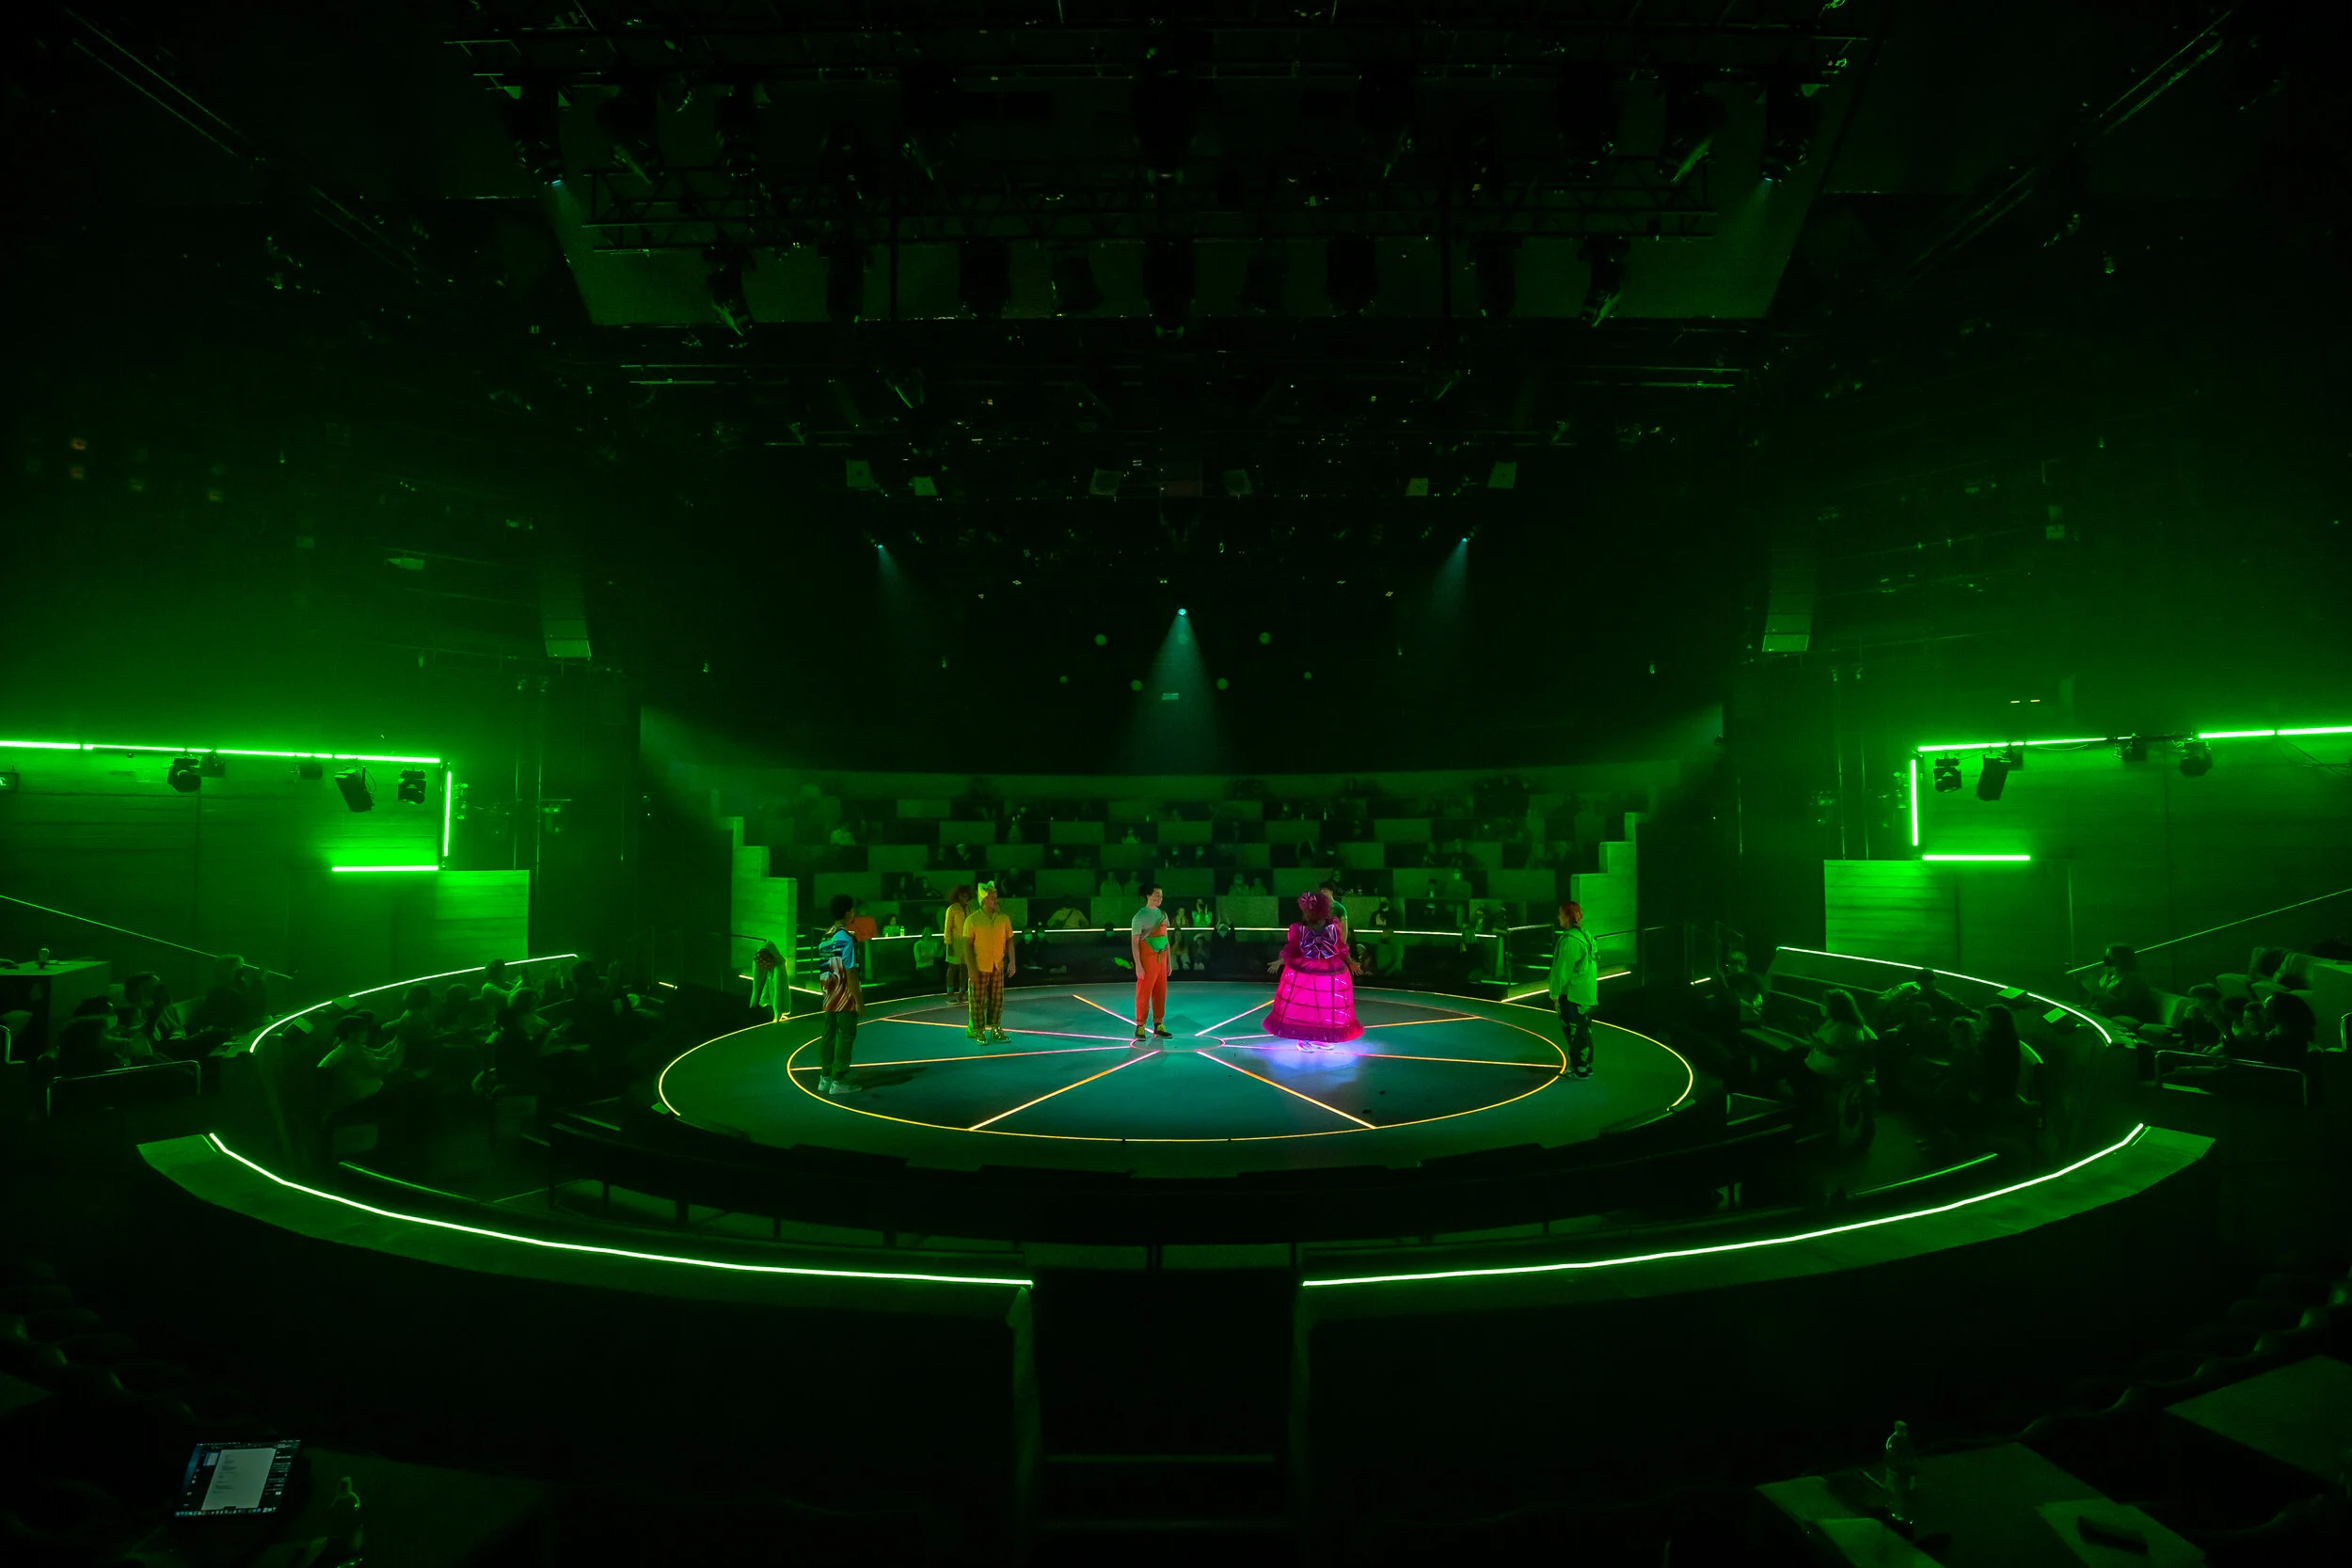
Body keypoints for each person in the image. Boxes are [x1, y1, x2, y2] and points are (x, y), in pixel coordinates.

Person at [1265, 890, 1362, 1049]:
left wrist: (1350, 962)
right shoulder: (1299, 929)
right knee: (1305, 1002)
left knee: (1325, 1004)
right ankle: (1304, 1038)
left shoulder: (1332, 927)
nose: (1307, 913)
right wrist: (1281, 960)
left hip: (1327, 971)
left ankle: (1320, 1037)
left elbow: (1340, 947)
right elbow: (1292, 948)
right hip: (1306, 971)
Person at [815, 895, 863, 1094]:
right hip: (844, 996)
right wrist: (859, 1001)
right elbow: (850, 972)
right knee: (845, 1036)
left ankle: (825, 1077)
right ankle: (839, 1080)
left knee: (829, 1035)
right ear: (847, 912)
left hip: (829, 994)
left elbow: (824, 969)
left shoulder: (825, 937)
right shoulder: (846, 938)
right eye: (852, 909)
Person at [1546, 899, 1599, 1078]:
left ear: (1567, 917)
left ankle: (1579, 1069)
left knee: (1574, 1032)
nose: (1558, 917)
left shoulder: (1571, 941)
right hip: (1585, 992)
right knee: (1584, 1030)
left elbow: (1563, 970)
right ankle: (1585, 1065)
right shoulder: (1586, 935)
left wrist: (1554, 993)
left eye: (1561, 914)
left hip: (1573, 994)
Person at [963, 881, 1017, 1044]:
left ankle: (996, 1028)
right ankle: (978, 1030)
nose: (995, 900)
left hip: (997, 965)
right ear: (984, 900)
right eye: (992, 898)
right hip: (979, 967)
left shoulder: (1003, 919)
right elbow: (967, 947)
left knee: (997, 999)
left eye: (996, 897)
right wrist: (971, 969)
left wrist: (1012, 962)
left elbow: (1009, 941)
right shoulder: (972, 920)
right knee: (977, 1001)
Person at [1131, 886, 1174, 1041]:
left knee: (1161, 992)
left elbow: (1166, 938)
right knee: (1144, 992)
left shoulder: (1163, 914)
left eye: (1161, 896)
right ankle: (1140, 1026)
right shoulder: (1139, 916)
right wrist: (1138, 965)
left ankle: (1159, 1024)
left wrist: (1169, 962)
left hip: (1161, 959)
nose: (1159, 898)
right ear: (1148, 895)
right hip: (1147, 959)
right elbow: (1135, 943)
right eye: (1156, 895)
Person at [2089, 943, 2156, 1022]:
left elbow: (2126, 1006)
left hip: (2122, 1019)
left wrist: (2101, 994)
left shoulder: (2134, 981)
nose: (2105, 960)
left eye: (2109, 957)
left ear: (2120, 959)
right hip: (2104, 1016)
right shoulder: (2109, 976)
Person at [943, 884, 973, 1005]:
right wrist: (948, 944)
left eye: (966, 895)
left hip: (966, 940)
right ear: (957, 896)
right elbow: (947, 928)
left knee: (964, 968)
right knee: (952, 968)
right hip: (954, 940)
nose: (964, 897)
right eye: (962, 895)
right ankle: (949, 994)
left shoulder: (970, 908)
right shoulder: (952, 909)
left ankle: (962, 993)